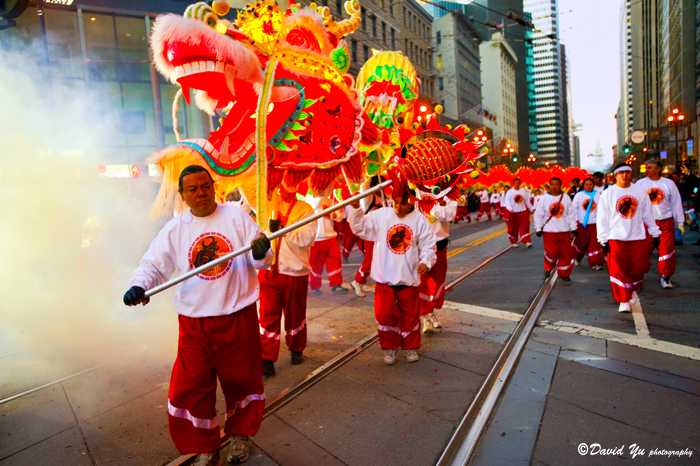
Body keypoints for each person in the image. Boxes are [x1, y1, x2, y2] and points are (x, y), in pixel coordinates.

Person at [122, 166, 272, 465]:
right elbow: (154, 264)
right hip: (195, 323)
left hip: (236, 315)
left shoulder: (236, 217)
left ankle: (241, 436)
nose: (201, 193)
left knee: (242, 381)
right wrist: (138, 286)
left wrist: (260, 251)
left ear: (213, 186)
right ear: (183, 195)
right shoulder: (176, 230)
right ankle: (205, 443)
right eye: (193, 189)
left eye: (205, 186)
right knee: (191, 386)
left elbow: (262, 262)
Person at [347, 184, 437, 365]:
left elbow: (429, 245)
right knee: (384, 315)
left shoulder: (420, 220)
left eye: (402, 204)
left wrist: (425, 263)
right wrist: (356, 208)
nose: (398, 207)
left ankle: (410, 347)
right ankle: (389, 348)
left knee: (410, 316)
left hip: (408, 277)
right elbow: (359, 228)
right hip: (384, 278)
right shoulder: (381, 215)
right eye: (395, 203)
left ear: (411, 201)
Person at [258, 183, 316, 377]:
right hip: (268, 272)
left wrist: (283, 229)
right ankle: (266, 358)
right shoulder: (266, 203)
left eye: (290, 180)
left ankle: (296, 348)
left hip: (294, 272)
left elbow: (306, 239)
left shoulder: (305, 209)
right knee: (267, 316)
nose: (285, 186)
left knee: (295, 314)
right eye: (281, 181)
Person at [597, 163, 661, 313]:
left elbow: (647, 214)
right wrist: (603, 239)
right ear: (615, 175)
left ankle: (631, 289)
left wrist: (655, 232)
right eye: (621, 173)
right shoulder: (608, 193)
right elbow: (602, 218)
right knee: (619, 269)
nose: (625, 175)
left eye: (627, 172)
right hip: (616, 237)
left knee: (639, 267)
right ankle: (623, 299)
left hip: (637, 237)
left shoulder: (640, 192)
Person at [634, 159, 685, 288]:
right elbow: (634, 202)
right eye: (646, 167)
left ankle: (665, 277)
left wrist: (680, 222)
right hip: (646, 223)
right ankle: (638, 276)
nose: (648, 170)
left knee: (666, 250)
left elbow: (676, 203)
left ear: (658, 169)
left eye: (650, 167)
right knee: (643, 250)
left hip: (665, 222)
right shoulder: (640, 184)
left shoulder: (669, 184)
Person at [419, 197, 457, 332]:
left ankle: (431, 309)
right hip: (421, 245)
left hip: (439, 244)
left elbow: (450, 214)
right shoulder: (414, 192)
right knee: (421, 281)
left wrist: (431, 206)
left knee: (438, 280)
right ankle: (426, 314)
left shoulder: (447, 193)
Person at [534, 177, 577, 281]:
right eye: (552, 184)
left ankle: (564, 273)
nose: (554, 186)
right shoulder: (544, 198)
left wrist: (573, 227)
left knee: (566, 253)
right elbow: (538, 214)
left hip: (564, 231)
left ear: (560, 185)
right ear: (549, 185)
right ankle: (548, 267)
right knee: (552, 252)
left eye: (557, 184)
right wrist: (538, 228)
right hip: (549, 231)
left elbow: (571, 214)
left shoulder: (566, 197)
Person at [309, 198, 347, 294]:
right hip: (316, 239)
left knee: (335, 261)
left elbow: (339, 218)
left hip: (331, 237)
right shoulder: (309, 199)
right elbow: (314, 206)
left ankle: (336, 284)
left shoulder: (331, 200)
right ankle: (315, 286)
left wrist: (340, 210)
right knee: (316, 264)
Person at [350, 189, 383, 297]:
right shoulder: (369, 196)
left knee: (379, 260)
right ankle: (357, 281)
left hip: (381, 233)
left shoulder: (386, 195)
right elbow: (365, 185)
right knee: (370, 260)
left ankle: (363, 282)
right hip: (371, 232)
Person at [572, 178, 604, 270]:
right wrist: (575, 222)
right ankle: (577, 257)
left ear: (593, 185)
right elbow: (573, 209)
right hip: (582, 224)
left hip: (595, 224)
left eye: (590, 184)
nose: (588, 186)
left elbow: (601, 209)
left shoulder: (598, 195)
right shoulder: (579, 195)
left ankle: (596, 263)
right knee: (581, 244)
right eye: (586, 184)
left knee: (595, 244)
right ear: (583, 185)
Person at [504, 178, 533, 247]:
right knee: (513, 227)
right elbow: (507, 201)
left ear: (520, 183)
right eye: (516, 182)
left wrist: (531, 208)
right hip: (513, 213)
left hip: (523, 211)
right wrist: (510, 209)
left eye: (518, 182)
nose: (517, 184)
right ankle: (513, 241)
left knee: (525, 225)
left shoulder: (523, 191)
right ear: (513, 183)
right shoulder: (510, 192)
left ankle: (526, 241)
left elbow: (527, 201)